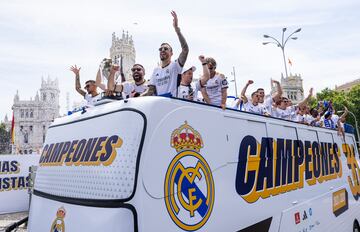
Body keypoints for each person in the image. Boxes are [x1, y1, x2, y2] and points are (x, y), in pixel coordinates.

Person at [142, 11, 189, 97]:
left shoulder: (175, 65)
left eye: (166, 49)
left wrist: (177, 30)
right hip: (160, 104)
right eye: (160, 49)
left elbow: (185, 49)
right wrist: (137, 98)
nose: (162, 50)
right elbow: (150, 91)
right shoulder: (156, 70)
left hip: (173, 103)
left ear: (171, 53)